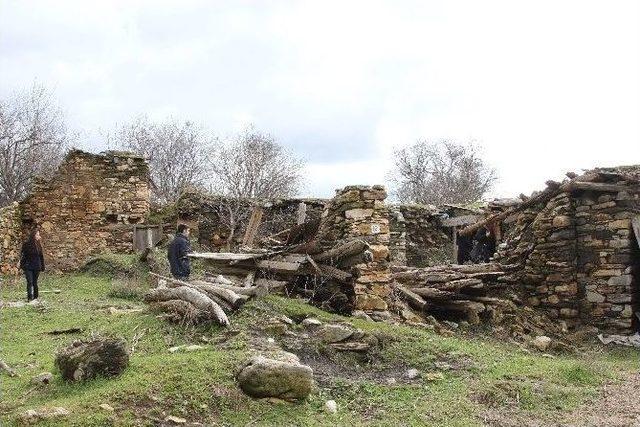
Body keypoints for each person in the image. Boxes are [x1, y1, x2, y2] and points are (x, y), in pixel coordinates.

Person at [20, 228, 45, 301]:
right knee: (29, 282)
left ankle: (36, 297)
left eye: (38, 235)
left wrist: (42, 266)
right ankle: (29, 297)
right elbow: (22, 255)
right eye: (37, 234)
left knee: (35, 282)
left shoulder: (38, 245)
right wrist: (22, 265)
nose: (39, 236)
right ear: (33, 235)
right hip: (28, 266)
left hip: (37, 266)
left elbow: (41, 256)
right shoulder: (26, 244)